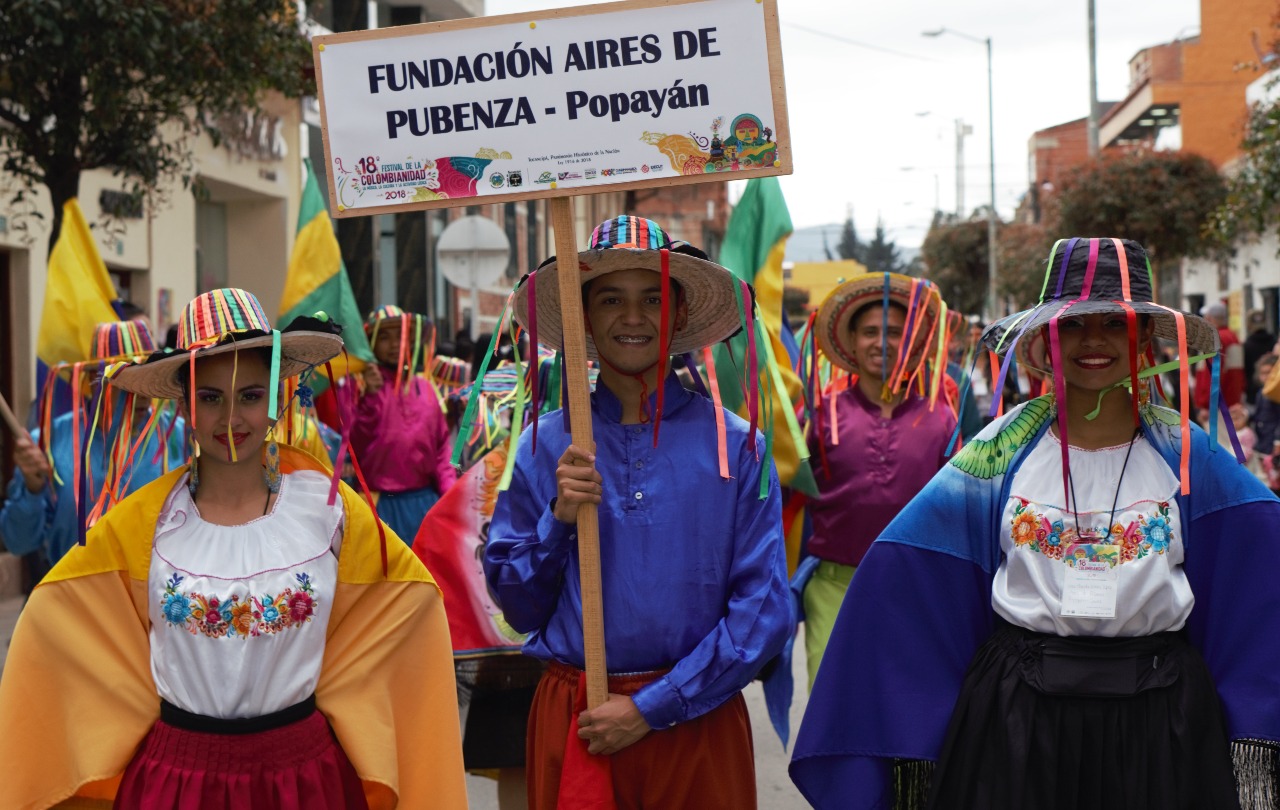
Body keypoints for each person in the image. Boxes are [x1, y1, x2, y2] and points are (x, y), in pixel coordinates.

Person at [791, 237, 1280, 809]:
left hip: (1159, 721)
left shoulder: (1187, 451)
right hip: (1017, 722)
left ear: (1146, 339)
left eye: (1113, 323)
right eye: (1072, 325)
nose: (1092, 341)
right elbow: (904, 568)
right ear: (1043, 343)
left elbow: (1259, 561)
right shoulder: (998, 450)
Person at [0, 288, 466, 808]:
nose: (230, 420)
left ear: (277, 396)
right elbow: (56, 623)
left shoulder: (331, 512)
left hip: (305, 783)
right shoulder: (141, 526)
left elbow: (408, 607)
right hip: (177, 783)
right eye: (210, 397)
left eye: (249, 395)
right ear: (183, 405)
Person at [484, 215, 790, 809]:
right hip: (580, 718)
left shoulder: (738, 446)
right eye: (610, 300)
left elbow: (763, 612)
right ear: (585, 319)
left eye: (652, 298)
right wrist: (558, 520)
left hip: (695, 721)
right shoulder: (544, 445)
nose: (632, 317)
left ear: (677, 316)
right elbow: (518, 608)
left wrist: (654, 707)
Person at [799, 273, 956, 689]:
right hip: (834, 588)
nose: (881, 343)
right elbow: (775, 494)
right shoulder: (819, 416)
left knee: (906, 716)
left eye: (893, 333)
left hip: (916, 589)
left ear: (912, 344)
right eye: (869, 332)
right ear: (850, 342)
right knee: (830, 709)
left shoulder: (942, 419)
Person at [0, 320, 185, 578]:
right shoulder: (48, 443)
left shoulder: (181, 436)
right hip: (72, 599)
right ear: (93, 382)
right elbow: (18, 542)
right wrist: (32, 489)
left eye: (147, 379)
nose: (142, 394)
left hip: (157, 601)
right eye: (126, 381)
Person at [344, 305, 456, 542]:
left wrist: (449, 497)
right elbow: (354, 447)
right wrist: (370, 398)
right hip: (376, 504)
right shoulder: (359, 388)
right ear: (370, 343)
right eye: (384, 337)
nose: (395, 344)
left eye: (401, 335)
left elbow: (441, 452)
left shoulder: (425, 388)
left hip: (424, 504)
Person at [1195, 300, 1245, 437]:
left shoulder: (1215, 338)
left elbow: (1211, 374)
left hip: (1217, 405)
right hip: (1232, 401)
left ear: (1210, 318)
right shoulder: (1232, 336)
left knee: (1219, 445)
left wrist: (1205, 405)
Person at [1243, 310, 1275, 403]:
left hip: (1253, 394)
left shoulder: (1246, 345)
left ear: (1248, 325)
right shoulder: (1275, 342)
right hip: (1274, 391)